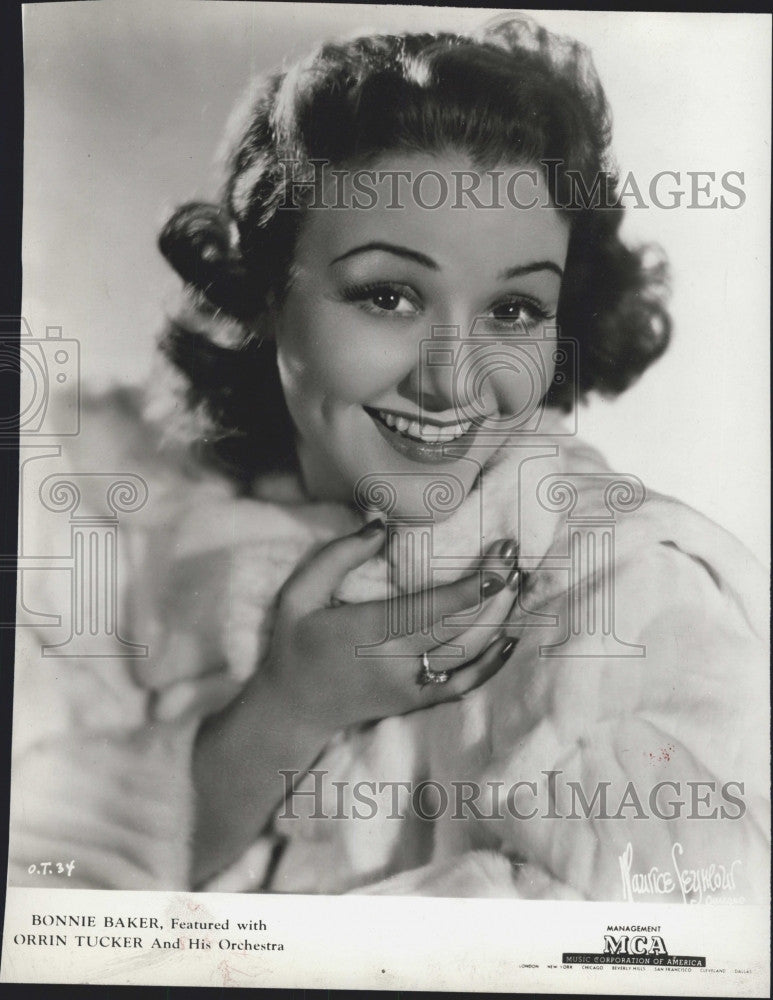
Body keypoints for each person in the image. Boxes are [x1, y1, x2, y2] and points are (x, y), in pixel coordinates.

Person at [8, 14, 768, 900]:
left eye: (514, 312)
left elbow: (674, 941)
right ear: (263, 292)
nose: (454, 383)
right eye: (389, 295)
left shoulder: (629, 591)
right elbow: (40, 900)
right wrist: (287, 708)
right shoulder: (99, 530)